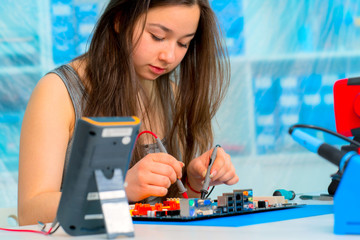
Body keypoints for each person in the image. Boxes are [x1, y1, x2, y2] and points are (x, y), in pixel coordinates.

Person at [18, 0, 239, 226]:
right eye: (157, 37)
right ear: (120, 19)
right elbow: (31, 211)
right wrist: (119, 189)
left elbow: (165, 215)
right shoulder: (58, 92)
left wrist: (192, 183)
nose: (169, 56)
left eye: (183, 43)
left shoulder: (172, 95)